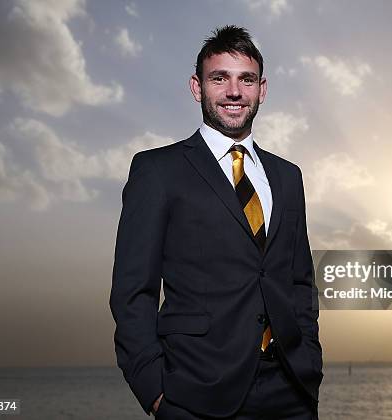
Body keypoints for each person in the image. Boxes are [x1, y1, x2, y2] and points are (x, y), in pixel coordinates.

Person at [110, 25, 323, 419]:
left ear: (262, 89)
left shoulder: (288, 176)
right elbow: (132, 291)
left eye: (246, 79)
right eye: (219, 78)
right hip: (196, 390)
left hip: (290, 389)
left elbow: (299, 281)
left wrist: (309, 359)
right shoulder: (157, 171)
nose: (234, 91)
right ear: (197, 87)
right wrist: (155, 392)